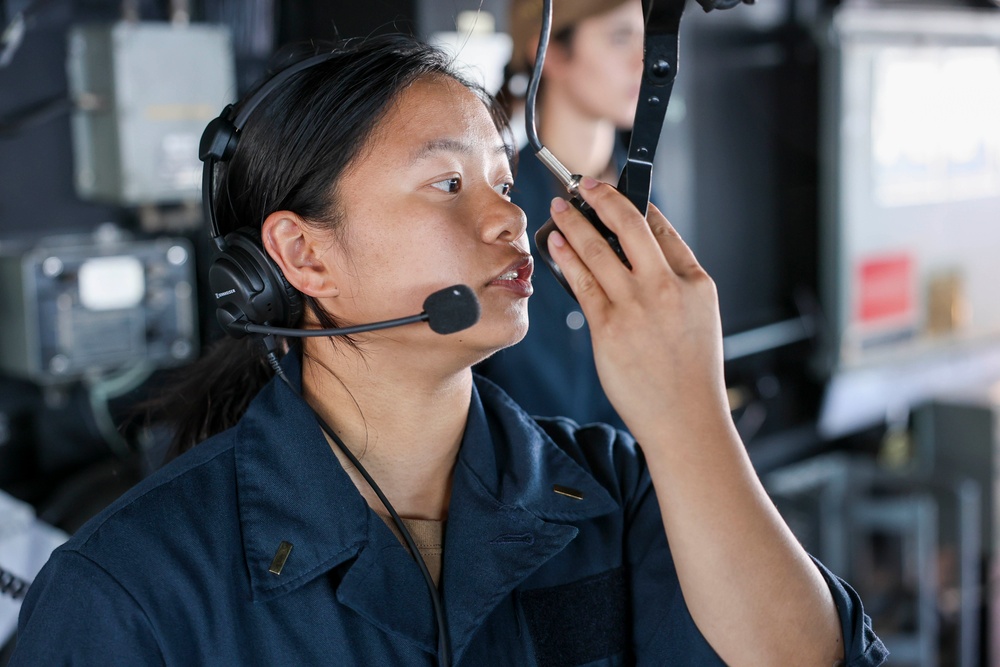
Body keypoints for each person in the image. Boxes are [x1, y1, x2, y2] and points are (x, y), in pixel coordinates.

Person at [10, 34, 887, 665]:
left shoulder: (618, 489)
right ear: (304, 255)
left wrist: (689, 413)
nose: (510, 216)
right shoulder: (131, 587)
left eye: (504, 182)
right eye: (446, 183)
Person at [475, 0, 649, 431]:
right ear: (548, 52)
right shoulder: (497, 209)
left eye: (649, 39)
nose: (644, 61)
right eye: (620, 37)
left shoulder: (650, 197)